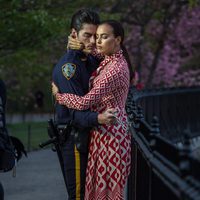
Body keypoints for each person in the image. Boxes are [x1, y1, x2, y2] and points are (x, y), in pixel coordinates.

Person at [52, 20, 133, 200]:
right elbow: (93, 52)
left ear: (118, 39)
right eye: (95, 37)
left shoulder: (114, 69)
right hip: (103, 131)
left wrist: (60, 96)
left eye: (103, 37)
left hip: (110, 132)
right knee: (98, 190)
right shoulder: (110, 58)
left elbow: (83, 103)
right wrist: (73, 46)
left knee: (107, 192)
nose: (96, 42)